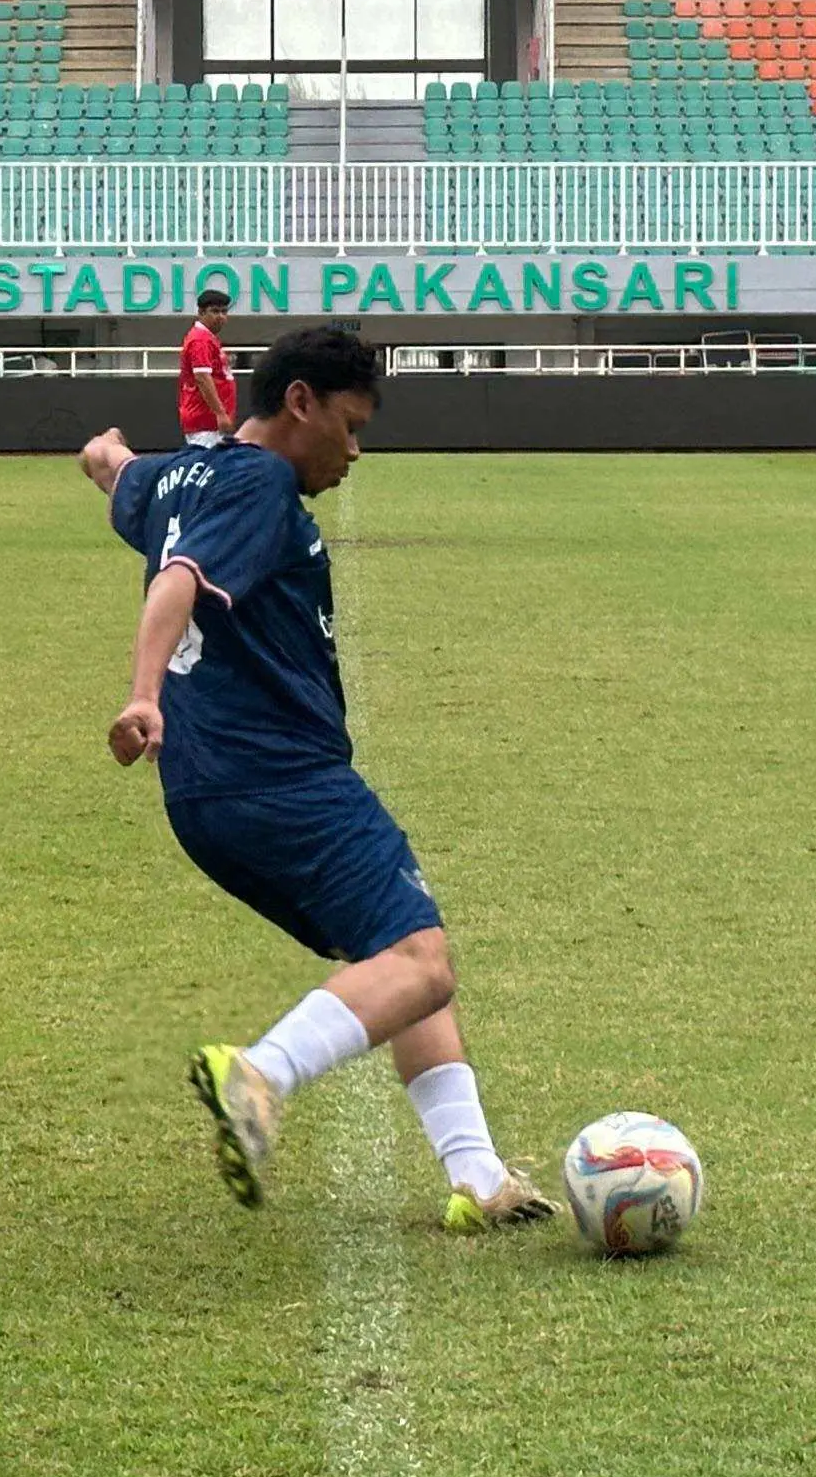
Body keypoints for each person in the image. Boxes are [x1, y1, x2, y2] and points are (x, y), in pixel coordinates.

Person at [81, 322, 549, 1231]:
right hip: (283, 779)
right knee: (422, 961)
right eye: (349, 422)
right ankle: (259, 1075)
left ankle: (479, 1179)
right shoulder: (258, 482)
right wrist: (142, 696)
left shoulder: (179, 478)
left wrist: (107, 457)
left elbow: (118, 476)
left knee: (390, 953)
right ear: (300, 403)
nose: (355, 449)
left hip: (204, 795)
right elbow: (177, 580)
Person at [177, 285, 239, 448]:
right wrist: (220, 414)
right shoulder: (200, 339)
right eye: (215, 311)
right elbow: (202, 377)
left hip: (210, 423)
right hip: (205, 423)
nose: (220, 317)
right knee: (209, 468)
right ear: (201, 313)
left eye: (224, 312)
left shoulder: (208, 338)